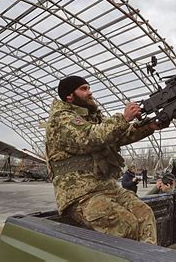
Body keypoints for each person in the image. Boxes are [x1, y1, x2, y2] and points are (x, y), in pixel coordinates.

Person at [45, 75, 168, 245]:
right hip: (81, 194)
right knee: (127, 225)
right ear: (69, 96)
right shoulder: (61, 119)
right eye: (83, 89)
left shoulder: (91, 117)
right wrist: (123, 118)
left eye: (89, 88)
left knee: (144, 213)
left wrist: (149, 126)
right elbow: (89, 137)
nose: (90, 92)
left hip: (106, 186)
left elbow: (118, 137)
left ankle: (146, 257)